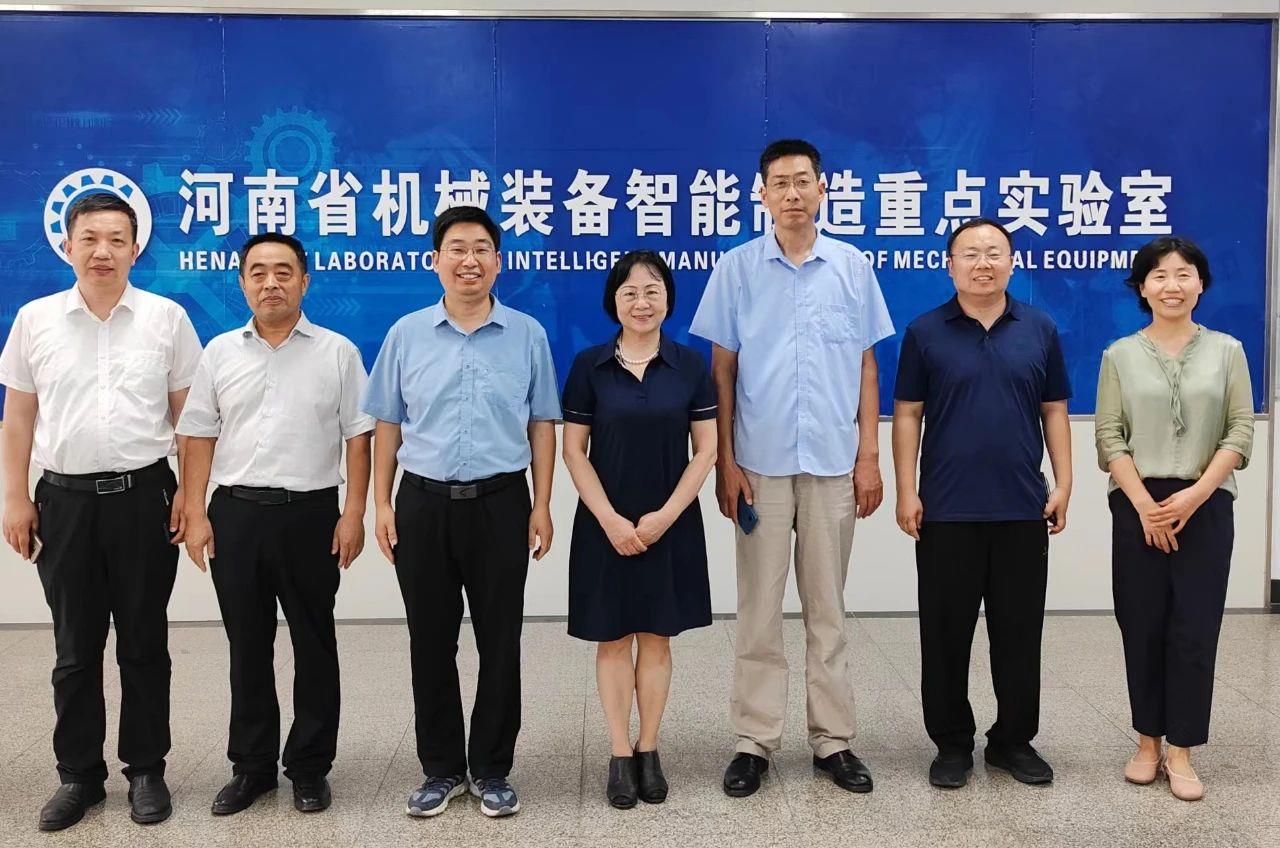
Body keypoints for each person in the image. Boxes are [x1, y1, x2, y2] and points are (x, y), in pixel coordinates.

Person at [690, 139, 893, 798]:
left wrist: (869, 456)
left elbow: (866, 366)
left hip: (834, 464)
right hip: (760, 465)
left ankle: (833, 740)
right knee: (758, 611)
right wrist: (726, 460)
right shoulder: (737, 268)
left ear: (822, 188)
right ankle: (754, 741)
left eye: (803, 181)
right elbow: (722, 371)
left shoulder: (852, 266)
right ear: (762, 194)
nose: (793, 193)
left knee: (828, 611)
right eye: (780, 183)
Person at [0, 192, 203, 831]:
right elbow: (18, 417)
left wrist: (191, 495)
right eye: (89, 238)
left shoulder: (167, 318)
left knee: (144, 642)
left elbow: (189, 418)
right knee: (74, 648)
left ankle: (146, 769)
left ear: (136, 248)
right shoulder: (35, 319)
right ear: (67, 246)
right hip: (63, 503)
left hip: (145, 499)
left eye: (116, 239)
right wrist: (14, 496)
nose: (102, 251)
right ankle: (79, 776)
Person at [361, 205, 559, 819]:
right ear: (435, 260)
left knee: (501, 641)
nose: (469, 260)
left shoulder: (527, 334)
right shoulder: (406, 334)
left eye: (480, 249)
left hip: (502, 503)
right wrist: (381, 504)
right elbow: (387, 424)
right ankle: (441, 768)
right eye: (456, 249)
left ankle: (492, 768)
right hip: (423, 504)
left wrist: (542, 504)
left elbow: (542, 423)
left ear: (498, 261)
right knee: (430, 641)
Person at [178, 233, 373, 816]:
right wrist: (195, 512)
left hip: (311, 515)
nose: (271, 283)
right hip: (235, 515)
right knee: (247, 645)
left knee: (315, 643)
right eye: (258, 272)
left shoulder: (337, 352)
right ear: (242, 283)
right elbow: (198, 435)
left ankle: (310, 767)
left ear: (304, 281)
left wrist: (354, 513)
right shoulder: (219, 353)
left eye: (284, 272)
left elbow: (358, 437)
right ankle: (252, 767)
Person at [891, 217, 1072, 790]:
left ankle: (1013, 741)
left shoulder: (1039, 328)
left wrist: (1064, 482)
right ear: (950, 266)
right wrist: (906, 489)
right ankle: (951, 744)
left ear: (1012, 263)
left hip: (1022, 508)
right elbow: (908, 413)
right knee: (945, 635)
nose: (983, 263)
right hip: (946, 510)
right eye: (970, 253)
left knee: (1019, 634)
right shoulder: (925, 331)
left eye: (994, 252)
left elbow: (1054, 410)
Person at [1095, 236, 1252, 802]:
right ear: (1142, 287)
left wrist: (1195, 496)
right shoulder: (1119, 355)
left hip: (1206, 503)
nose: (1172, 285)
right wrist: (1145, 505)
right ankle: (1147, 741)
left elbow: (1240, 430)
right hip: (1137, 502)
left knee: (1194, 627)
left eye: (1184, 274)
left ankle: (1181, 749)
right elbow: (1109, 436)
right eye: (1159, 275)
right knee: (1142, 623)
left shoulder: (1228, 351)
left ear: (1200, 285)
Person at [562, 251, 717, 809]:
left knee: (656, 637)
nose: (641, 302)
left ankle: (649, 748)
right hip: (604, 523)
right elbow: (573, 452)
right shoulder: (589, 365)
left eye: (652, 291)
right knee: (612, 638)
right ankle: (619, 752)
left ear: (668, 300)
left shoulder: (690, 365)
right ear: (614, 302)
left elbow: (706, 450)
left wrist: (664, 517)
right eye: (629, 292)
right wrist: (609, 519)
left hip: (668, 522)